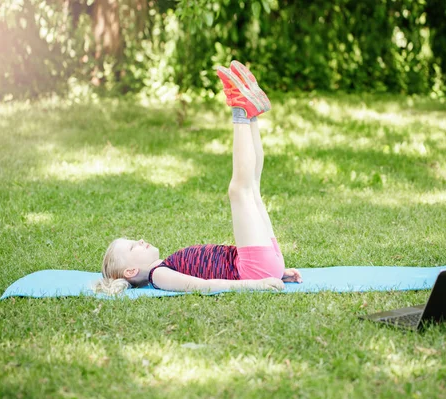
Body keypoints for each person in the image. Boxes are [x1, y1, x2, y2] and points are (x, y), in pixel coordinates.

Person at [93, 60, 302, 295]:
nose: (140, 240)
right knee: (241, 191)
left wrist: (274, 272)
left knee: (252, 188)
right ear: (131, 271)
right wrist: (256, 283)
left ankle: (249, 114)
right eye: (133, 247)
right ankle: (242, 111)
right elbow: (204, 286)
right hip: (252, 271)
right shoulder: (159, 275)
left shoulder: (166, 265)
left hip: (258, 264)